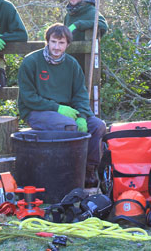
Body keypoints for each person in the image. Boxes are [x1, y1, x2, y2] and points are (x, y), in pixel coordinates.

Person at [17, 23, 106, 188]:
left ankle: (88, 170)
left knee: (98, 126)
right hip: (36, 111)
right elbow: (28, 97)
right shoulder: (31, 61)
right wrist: (57, 108)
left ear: (67, 45)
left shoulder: (72, 65)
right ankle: (69, 172)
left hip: (68, 112)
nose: (56, 47)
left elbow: (80, 94)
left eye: (61, 43)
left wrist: (82, 116)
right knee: (68, 126)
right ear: (47, 42)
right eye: (53, 42)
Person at [63, 0, 108, 70]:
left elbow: (103, 25)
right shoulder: (68, 15)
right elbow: (67, 33)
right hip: (69, 65)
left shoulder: (91, 11)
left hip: (86, 66)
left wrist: (78, 24)